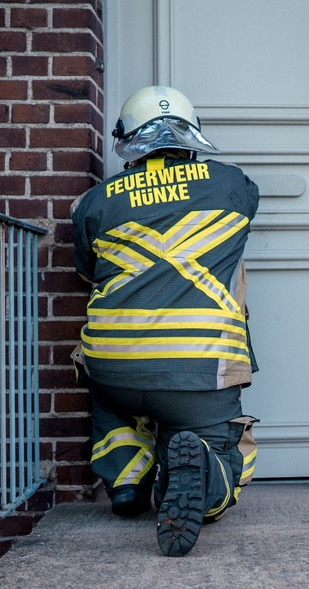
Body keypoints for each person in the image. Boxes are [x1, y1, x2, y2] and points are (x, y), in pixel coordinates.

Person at [71, 85, 260, 557]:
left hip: (114, 367)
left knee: (112, 411)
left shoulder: (94, 202)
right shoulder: (232, 185)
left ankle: (127, 481)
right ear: (191, 136)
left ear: (127, 141)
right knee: (217, 443)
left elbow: (87, 272)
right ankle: (204, 473)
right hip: (198, 369)